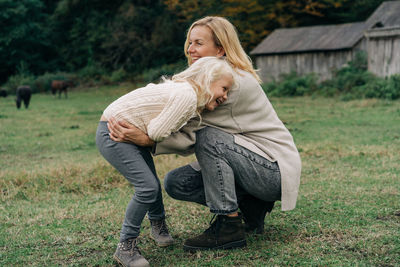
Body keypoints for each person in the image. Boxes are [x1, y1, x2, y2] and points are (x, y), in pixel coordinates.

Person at [108, 16, 301, 252]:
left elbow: (190, 131)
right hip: (250, 162)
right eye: (190, 43)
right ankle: (252, 206)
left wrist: (147, 139)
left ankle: (228, 225)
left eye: (199, 43)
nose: (190, 49)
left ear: (220, 49)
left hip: (273, 170)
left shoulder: (229, 83)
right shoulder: (214, 77)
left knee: (209, 137)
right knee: (178, 182)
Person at [96, 56, 236, 266]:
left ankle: (158, 225)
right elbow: (157, 132)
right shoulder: (187, 97)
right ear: (208, 80)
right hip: (116, 133)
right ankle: (126, 247)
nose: (225, 96)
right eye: (224, 88)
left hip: (127, 129)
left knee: (151, 181)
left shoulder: (186, 92)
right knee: (147, 187)